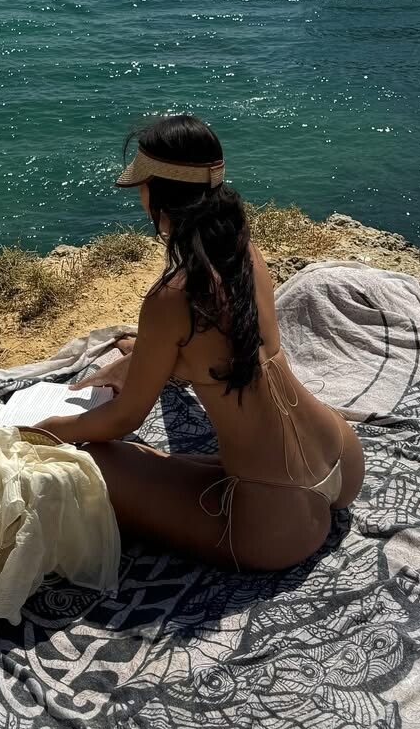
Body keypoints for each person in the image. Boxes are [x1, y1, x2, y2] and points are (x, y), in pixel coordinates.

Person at [39, 114, 364, 571]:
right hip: (341, 457)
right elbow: (224, 350)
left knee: (89, 462)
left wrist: (45, 429)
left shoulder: (171, 298)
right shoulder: (243, 251)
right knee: (156, 462)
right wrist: (146, 358)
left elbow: (124, 418)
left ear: (154, 192)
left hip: (276, 517)